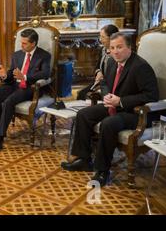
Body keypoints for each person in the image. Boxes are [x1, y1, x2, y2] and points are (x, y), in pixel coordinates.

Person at [61, 33, 159, 186]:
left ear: (129, 48)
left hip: (136, 113)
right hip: (116, 105)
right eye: (112, 48)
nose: (115, 51)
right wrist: (107, 97)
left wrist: (121, 101)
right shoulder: (113, 63)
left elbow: (152, 95)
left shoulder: (141, 67)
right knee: (83, 114)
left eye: (119, 47)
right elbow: (107, 85)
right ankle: (84, 159)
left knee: (108, 123)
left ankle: (102, 170)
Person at [0, 29, 51, 155]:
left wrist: (25, 77)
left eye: (24, 43)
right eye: (21, 43)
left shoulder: (44, 56)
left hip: (29, 87)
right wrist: (5, 75)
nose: (21, 45)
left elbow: (46, 73)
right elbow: (12, 73)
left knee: (8, 102)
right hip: (13, 85)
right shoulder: (17, 55)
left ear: (33, 44)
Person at [77, 24, 119, 100]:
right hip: (99, 82)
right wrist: (98, 72)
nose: (100, 39)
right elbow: (97, 67)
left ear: (112, 38)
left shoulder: (119, 54)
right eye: (100, 36)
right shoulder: (102, 50)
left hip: (112, 86)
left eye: (103, 37)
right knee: (81, 94)